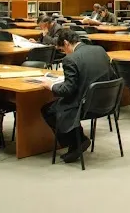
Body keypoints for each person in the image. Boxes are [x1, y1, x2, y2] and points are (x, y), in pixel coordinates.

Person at [37, 30, 113, 163]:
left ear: (66, 43)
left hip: (85, 105)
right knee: (61, 105)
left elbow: (68, 90)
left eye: (62, 50)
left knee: (48, 110)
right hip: (107, 101)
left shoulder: (70, 59)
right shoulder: (100, 50)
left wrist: (51, 86)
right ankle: (77, 140)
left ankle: (77, 141)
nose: (64, 53)